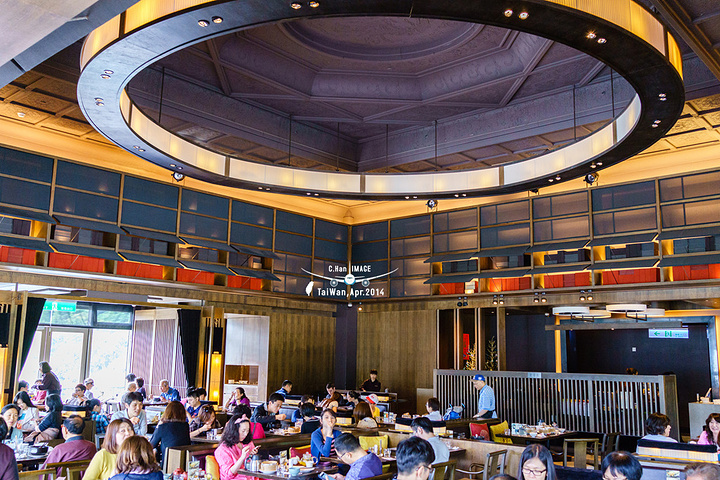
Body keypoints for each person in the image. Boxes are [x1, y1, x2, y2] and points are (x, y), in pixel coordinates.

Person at [214, 415, 259, 480]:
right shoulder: (222, 450)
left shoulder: (248, 443)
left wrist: (252, 456)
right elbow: (229, 474)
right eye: (243, 431)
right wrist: (242, 457)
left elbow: (251, 466)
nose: (246, 434)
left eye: (247, 430)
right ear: (234, 430)